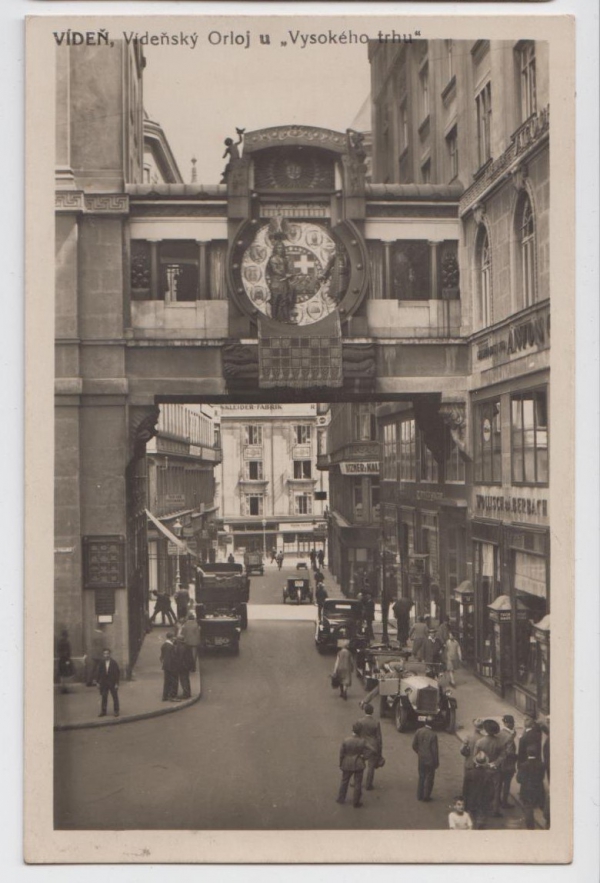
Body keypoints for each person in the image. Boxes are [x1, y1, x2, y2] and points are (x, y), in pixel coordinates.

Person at [475, 718, 503, 816]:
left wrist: (484, 764)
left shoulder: (480, 742)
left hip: (484, 769)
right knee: (496, 790)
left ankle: (483, 808)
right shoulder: (499, 742)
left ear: (485, 730)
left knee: (483, 788)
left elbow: (476, 757)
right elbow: (503, 755)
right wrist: (495, 763)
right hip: (495, 769)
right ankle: (495, 810)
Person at [337, 723, 368, 808]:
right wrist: (363, 758)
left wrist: (341, 763)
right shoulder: (362, 741)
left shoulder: (346, 740)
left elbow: (341, 754)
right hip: (358, 764)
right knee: (358, 783)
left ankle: (341, 798)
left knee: (344, 781)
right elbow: (368, 752)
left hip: (347, 763)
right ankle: (356, 802)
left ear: (353, 730)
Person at [354, 703, 383, 791]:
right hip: (373, 746)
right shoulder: (376, 722)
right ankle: (368, 785)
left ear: (365, 711)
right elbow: (379, 738)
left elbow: (356, 734)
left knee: (358, 764)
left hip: (362, 745)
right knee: (371, 767)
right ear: (372, 712)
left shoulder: (360, 721)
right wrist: (380, 751)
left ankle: (356, 782)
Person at [463, 751, 493, 828]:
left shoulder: (469, 773)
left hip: (472, 801)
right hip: (483, 802)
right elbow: (491, 791)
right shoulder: (488, 775)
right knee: (482, 822)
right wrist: (490, 802)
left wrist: (465, 804)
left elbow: (465, 790)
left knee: (472, 821)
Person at [517, 750, 546, 829]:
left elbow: (518, 779)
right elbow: (542, 777)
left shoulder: (523, 765)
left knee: (528, 808)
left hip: (527, 790)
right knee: (536, 805)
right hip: (538, 789)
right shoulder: (542, 765)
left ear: (527, 754)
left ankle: (530, 827)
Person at [412, 718, 439, 801]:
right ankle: (426, 796)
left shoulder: (419, 731)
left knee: (421, 776)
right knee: (429, 778)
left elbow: (414, 745)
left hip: (421, 758)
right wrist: (436, 762)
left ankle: (419, 795)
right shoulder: (433, 735)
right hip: (430, 760)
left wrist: (419, 752)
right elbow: (434, 750)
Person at [497, 714, 518, 808]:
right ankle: (504, 802)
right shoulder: (510, 736)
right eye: (512, 723)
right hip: (508, 764)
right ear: (509, 724)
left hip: (499, 763)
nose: (513, 725)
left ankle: (497, 800)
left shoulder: (499, 733)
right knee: (507, 784)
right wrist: (517, 757)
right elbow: (510, 752)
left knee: (499, 783)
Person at [97, 648, 120, 718]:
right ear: (103, 655)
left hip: (112, 682)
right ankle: (103, 711)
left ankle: (116, 711)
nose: (106, 655)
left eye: (107, 654)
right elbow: (99, 672)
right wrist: (98, 682)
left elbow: (117, 673)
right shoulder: (101, 663)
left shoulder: (114, 663)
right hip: (104, 683)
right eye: (105, 654)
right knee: (104, 697)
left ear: (110, 654)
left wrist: (117, 683)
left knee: (115, 697)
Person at [160, 632, 179, 702]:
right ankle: (173, 696)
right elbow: (173, 657)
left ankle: (165, 696)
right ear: (171, 638)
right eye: (174, 637)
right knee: (174, 681)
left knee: (167, 681)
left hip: (166, 666)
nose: (175, 638)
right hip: (172, 666)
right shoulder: (171, 647)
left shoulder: (164, 645)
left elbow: (161, 657)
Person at [174, 635, 193, 700]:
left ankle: (186, 694)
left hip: (182, 667)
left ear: (179, 641)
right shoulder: (187, 646)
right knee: (186, 679)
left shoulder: (181, 647)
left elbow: (180, 658)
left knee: (183, 680)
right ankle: (188, 693)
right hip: (186, 666)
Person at [57, 629, 73, 694]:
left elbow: (58, 651)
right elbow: (69, 652)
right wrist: (68, 660)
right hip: (66, 659)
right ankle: (65, 688)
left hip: (61, 660)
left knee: (62, 675)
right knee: (66, 674)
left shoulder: (59, 642)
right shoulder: (67, 642)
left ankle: (63, 688)